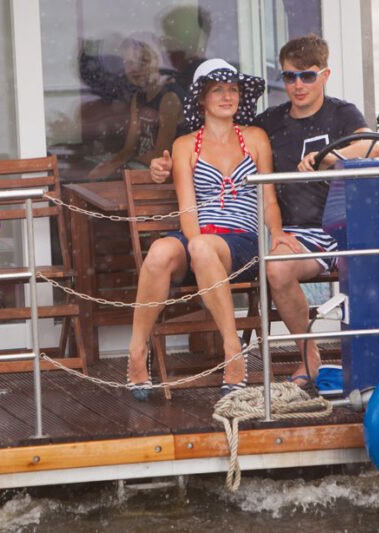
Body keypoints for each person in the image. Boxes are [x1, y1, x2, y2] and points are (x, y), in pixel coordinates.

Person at [150, 35, 379, 389]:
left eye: (307, 76)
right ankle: (310, 355)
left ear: (325, 75)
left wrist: (332, 157)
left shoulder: (341, 113)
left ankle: (311, 356)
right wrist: (166, 167)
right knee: (275, 265)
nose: (298, 85)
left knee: (276, 267)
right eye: (290, 77)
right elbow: (217, 138)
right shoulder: (269, 123)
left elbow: (374, 146)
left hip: (333, 229)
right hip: (282, 231)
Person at [128, 58, 285, 401]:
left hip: (241, 241)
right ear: (201, 99)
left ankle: (233, 351)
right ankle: (137, 352)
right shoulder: (186, 145)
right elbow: (187, 207)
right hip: (200, 237)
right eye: (218, 90)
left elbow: (269, 198)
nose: (227, 96)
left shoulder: (255, 138)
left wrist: (279, 235)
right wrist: (196, 246)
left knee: (201, 248)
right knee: (159, 253)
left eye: (232, 89)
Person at [88, 35, 184, 182]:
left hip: (163, 175)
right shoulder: (138, 97)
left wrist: (119, 167)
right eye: (129, 63)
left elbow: (160, 154)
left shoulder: (169, 97)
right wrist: (110, 165)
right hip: (140, 165)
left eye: (143, 60)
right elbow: (130, 147)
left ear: (158, 60)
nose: (135, 68)